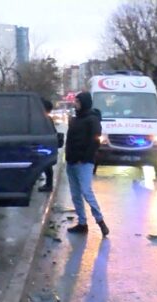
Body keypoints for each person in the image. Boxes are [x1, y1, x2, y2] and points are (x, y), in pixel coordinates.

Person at [64, 92, 109, 236]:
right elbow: (70, 140)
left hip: (83, 163)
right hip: (71, 162)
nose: (75, 104)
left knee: (86, 191)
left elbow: (94, 141)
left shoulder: (92, 119)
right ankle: (82, 223)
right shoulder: (75, 119)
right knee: (76, 195)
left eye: (77, 101)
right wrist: (69, 157)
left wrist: (84, 158)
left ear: (84, 102)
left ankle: (100, 221)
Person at [38, 98, 56, 192]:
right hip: (46, 144)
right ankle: (48, 183)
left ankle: (49, 184)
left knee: (47, 165)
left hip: (45, 145)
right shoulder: (46, 119)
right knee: (46, 165)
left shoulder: (45, 119)